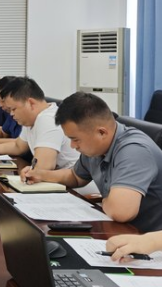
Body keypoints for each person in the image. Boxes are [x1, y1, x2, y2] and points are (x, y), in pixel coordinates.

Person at [22, 92, 162, 232]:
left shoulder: (134, 151)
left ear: (102, 133)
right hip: (120, 229)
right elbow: (75, 177)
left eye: (75, 139)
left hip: (148, 237)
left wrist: (104, 199)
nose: (72, 146)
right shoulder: (96, 148)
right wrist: (41, 174)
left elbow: (120, 212)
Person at [0, 77, 79, 173]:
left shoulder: (48, 120)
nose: (11, 114)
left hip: (71, 187)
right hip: (53, 182)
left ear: (30, 103)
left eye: (13, 109)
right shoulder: (31, 120)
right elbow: (17, 146)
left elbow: (43, 168)